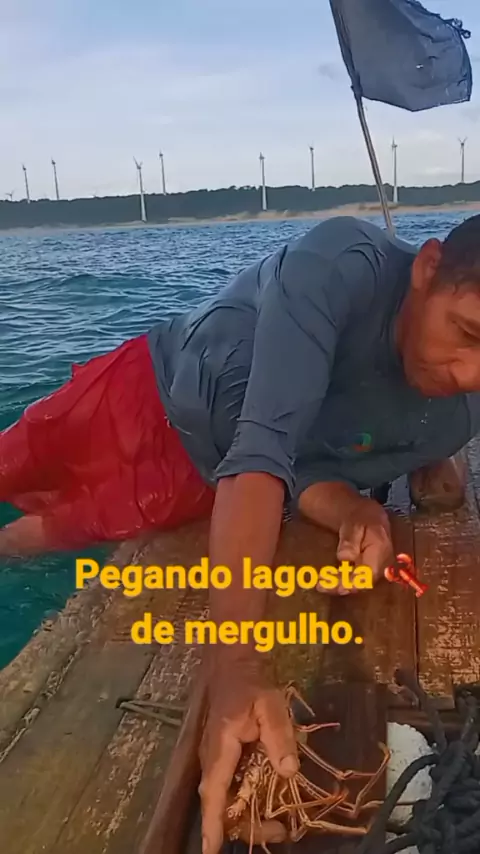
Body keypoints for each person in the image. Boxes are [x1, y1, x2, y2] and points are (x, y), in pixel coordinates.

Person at [1, 214, 480, 850]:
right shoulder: (341, 265)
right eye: (467, 332)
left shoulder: (456, 415)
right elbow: (263, 452)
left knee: (48, 534)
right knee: (12, 463)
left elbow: (311, 462)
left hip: (206, 481)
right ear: (427, 268)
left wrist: (352, 510)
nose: (469, 375)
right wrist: (237, 666)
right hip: (155, 391)